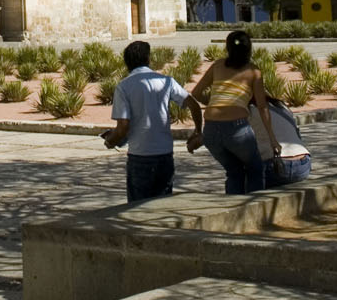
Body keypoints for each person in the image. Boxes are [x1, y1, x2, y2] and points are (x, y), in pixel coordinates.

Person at [102, 39, 203, 202]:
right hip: (164, 153)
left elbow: (123, 127)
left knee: (137, 208)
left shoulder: (124, 87)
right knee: (162, 205)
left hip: (140, 155)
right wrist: (198, 132)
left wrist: (111, 141)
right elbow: (193, 104)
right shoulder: (166, 81)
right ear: (148, 59)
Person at [189, 29, 272, 194]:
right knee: (255, 169)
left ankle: (233, 211)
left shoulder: (218, 65)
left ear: (228, 48)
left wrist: (212, 103)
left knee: (234, 172)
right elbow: (262, 107)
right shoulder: (254, 71)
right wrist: (273, 140)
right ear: (249, 49)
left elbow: (196, 93)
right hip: (237, 128)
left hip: (211, 129)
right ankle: (254, 214)